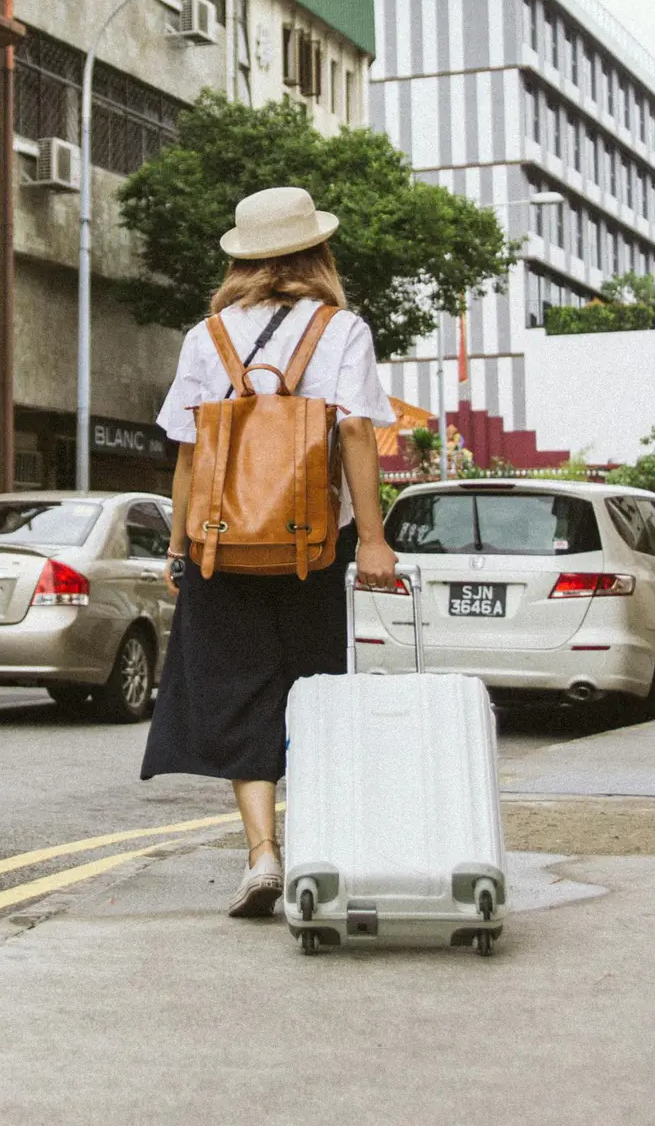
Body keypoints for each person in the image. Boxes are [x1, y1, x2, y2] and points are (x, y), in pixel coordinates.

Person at [140, 186, 398, 918]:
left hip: (222, 546)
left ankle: (261, 853)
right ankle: (314, 844)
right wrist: (372, 540)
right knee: (311, 691)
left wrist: (179, 547)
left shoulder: (208, 335)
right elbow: (355, 432)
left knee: (235, 690)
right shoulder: (341, 329)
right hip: (311, 545)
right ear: (317, 252)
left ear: (243, 259)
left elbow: (188, 451)